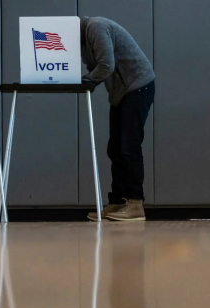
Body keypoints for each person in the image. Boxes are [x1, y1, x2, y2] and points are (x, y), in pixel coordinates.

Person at [80, 16, 155, 221]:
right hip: (121, 93)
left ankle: (135, 204)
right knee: (115, 148)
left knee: (129, 146)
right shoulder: (82, 39)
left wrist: (84, 81)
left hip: (138, 87)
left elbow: (106, 65)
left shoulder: (95, 28)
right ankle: (118, 202)